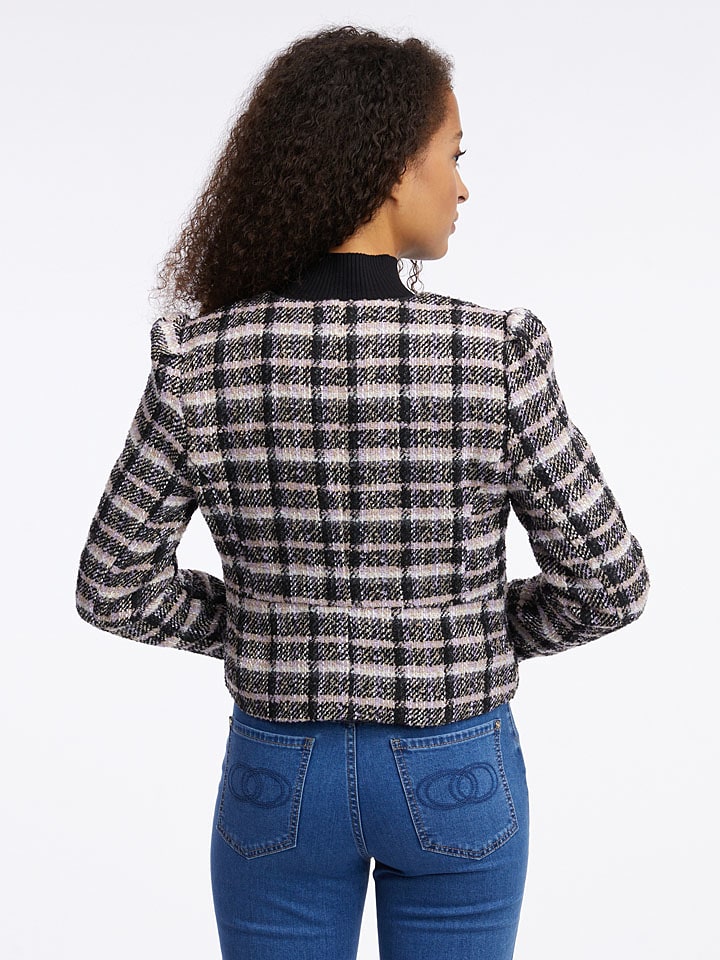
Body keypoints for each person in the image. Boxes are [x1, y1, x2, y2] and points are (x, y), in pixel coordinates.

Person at [74, 24, 650, 960]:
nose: (463, 186)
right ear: (390, 167)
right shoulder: (494, 354)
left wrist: (269, 629)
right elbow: (611, 584)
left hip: (278, 774)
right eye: (453, 156)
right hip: (456, 767)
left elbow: (113, 586)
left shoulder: (201, 360)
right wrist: (460, 635)